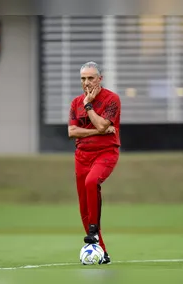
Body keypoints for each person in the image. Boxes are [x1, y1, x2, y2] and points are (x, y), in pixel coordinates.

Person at [68, 61, 121, 264]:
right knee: (83, 207)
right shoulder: (75, 103)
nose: (87, 82)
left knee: (92, 182)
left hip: (106, 152)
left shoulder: (111, 99)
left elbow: (102, 124)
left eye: (91, 78)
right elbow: (72, 132)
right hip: (82, 155)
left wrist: (89, 106)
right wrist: (96, 130)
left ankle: (93, 231)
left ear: (100, 78)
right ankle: (102, 252)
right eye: (83, 79)